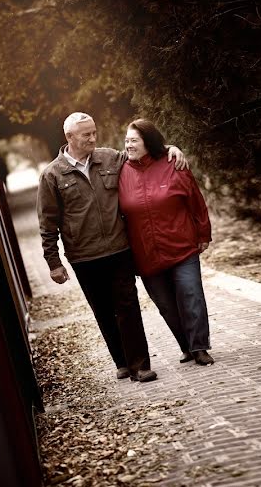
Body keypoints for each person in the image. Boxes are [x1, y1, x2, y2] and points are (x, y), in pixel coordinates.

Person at [37, 112, 187, 382]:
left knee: (128, 304)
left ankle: (140, 365)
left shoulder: (110, 158)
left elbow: (142, 154)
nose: (93, 138)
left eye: (94, 132)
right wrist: (53, 262)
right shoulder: (53, 175)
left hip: (119, 248)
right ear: (69, 137)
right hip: (83, 255)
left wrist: (169, 150)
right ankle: (121, 361)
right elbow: (47, 222)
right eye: (86, 135)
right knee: (103, 309)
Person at [118, 118, 215, 366]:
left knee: (190, 294)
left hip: (181, 245)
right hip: (146, 253)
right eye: (126, 141)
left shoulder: (174, 164)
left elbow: (195, 200)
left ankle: (200, 347)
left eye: (134, 141)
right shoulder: (119, 170)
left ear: (148, 142)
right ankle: (187, 346)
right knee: (167, 306)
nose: (128, 146)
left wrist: (203, 234)